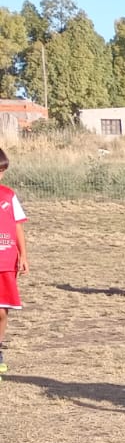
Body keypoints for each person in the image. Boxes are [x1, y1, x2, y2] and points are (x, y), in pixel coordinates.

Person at [0, 147, 29, 378]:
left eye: (2, 171)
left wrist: (24, 255)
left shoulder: (9, 195)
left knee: (1, 312)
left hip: (6, 260)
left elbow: (18, 226)